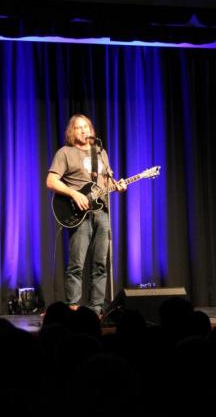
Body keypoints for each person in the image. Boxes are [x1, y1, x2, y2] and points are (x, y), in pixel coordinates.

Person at [46, 114, 126, 315]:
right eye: (78, 128)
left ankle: (96, 308)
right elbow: (51, 181)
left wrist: (118, 186)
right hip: (78, 213)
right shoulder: (65, 153)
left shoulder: (99, 152)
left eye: (86, 127)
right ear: (71, 132)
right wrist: (74, 193)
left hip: (102, 213)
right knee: (77, 264)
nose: (83, 131)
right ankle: (72, 306)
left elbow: (105, 183)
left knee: (100, 263)